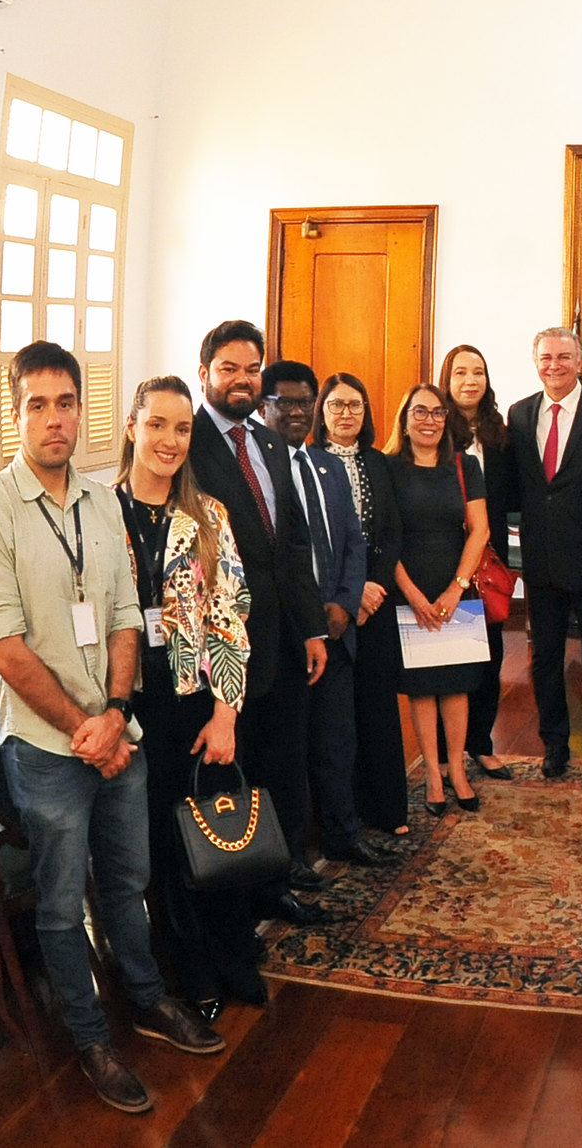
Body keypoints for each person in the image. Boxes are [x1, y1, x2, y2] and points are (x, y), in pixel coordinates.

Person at [0, 343, 223, 1113]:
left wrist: (115, 715)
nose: (54, 419)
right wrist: (85, 729)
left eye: (65, 402)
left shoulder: (101, 502)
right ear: (16, 414)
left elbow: (121, 615)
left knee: (129, 882)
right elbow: (6, 651)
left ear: (83, 409)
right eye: (37, 404)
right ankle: (89, 1037)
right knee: (62, 901)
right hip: (47, 749)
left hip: (116, 728)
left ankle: (144, 997)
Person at [114, 376, 268, 1022]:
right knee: (157, 851)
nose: (170, 441)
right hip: (128, 706)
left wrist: (226, 710)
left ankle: (233, 957)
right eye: (157, 425)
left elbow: (230, 616)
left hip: (195, 700)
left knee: (213, 839)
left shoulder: (208, 516)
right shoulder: (98, 515)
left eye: (181, 428)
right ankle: (190, 970)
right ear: (132, 427)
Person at [186, 320, 329, 925]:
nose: (241, 380)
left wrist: (313, 626)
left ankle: (281, 877)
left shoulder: (270, 442)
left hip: (285, 640)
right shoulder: (183, 441)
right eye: (228, 369)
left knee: (283, 762)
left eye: (251, 370)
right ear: (205, 373)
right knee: (232, 774)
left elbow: (291, 544)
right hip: (224, 648)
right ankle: (236, 895)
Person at [259, 361, 395, 870]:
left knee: (338, 740)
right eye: (284, 402)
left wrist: (342, 602)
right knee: (288, 753)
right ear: (263, 405)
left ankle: (344, 833)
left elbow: (353, 543)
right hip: (288, 637)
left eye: (304, 401)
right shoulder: (259, 471)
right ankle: (289, 857)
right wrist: (310, 619)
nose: (297, 411)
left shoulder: (327, 466)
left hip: (337, 629)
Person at [505, 328, 582, 780]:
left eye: (563, 357)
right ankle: (554, 745)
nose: (553, 365)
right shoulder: (519, 414)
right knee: (545, 659)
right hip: (541, 560)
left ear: (580, 362)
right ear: (535, 362)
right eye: (545, 358)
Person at [312, 372, 411, 836]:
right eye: (336, 405)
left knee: (376, 706)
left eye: (355, 405)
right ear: (322, 412)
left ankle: (385, 811)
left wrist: (371, 586)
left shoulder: (380, 462)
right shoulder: (308, 462)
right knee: (335, 715)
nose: (346, 413)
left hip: (376, 601)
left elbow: (392, 532)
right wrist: (349, 596)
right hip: (331, 607)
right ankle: (339, 813)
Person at [385, 383, 491, 816]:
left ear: (447, 420)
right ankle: (432, 772)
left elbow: (480, 530)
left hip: (456, 584)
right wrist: (411, 594)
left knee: (457, 685)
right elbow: (384, 537)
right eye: (420, 412)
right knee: (422, 689)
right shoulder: (388, 467)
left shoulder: (465, 466)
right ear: (405, 420)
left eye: (437, 412)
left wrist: (456, 587)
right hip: (408, 585)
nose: (429, 420)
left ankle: (457, 770)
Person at [439, 344, 514, 782]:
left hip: (488, 562)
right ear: (446, 379)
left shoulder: (500, 433)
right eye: (461, 373)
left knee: (489, 655)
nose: (471, 381)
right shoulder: (430, 426)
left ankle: (481, 745)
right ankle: (445, 756)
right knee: (446, 659)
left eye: (479, 372)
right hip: (443, 558)